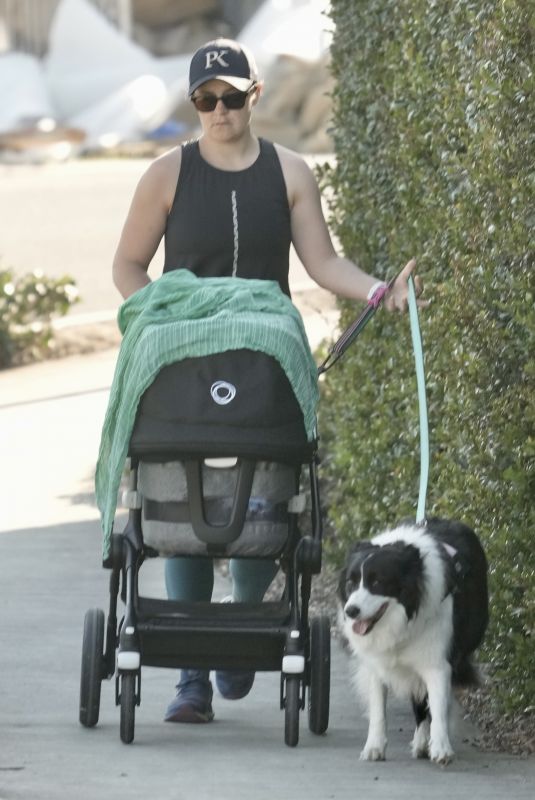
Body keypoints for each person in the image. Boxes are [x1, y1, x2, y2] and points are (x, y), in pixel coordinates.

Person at [112, 38, 425, 724]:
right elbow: (130, 269)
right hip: (185, 365)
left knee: (259, 506)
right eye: (204, 100)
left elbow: (321, 261)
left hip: (261, 364)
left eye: (229, 97)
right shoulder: (165, 175)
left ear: (253, 95)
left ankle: (243, 635)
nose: (218, 111)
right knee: (180, 507)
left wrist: (379, 291)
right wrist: (154, 321)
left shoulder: (289, 173)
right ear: (193, 104)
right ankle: (190, 675)